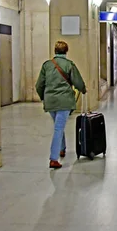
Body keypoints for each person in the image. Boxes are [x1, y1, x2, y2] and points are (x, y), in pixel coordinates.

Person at [36, 41, 87, 169]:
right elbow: (78, 81)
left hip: (50, 101)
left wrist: (44, 97)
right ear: (66, 51)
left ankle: (62, 148)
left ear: (55, 51)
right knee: (59, 128)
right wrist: (83, 89)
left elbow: (39, 85)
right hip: (64, 100)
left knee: (58, 125)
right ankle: (54, 158)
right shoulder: (69, 65)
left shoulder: (46, 65)